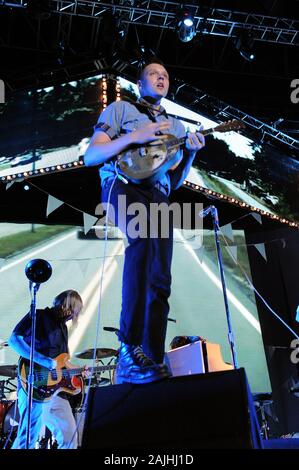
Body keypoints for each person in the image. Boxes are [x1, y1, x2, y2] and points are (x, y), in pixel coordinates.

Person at [84, 58, 205, 384]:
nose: (161, 78)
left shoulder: (176, 127)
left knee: (161, 276)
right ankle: (129, 349)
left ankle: (150, 359)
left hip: (159, 196)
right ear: (140, 83)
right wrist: (136, 136)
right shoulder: (122, 110)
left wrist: (190, 154)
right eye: (154, 73)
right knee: (140, 243)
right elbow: (92, 155)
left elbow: (174, 181)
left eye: (166, 74)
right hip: (121, 185)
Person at [8, 290, 84, 449]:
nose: (72, 316)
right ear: (65, 305)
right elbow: (14, 340)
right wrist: (42, 359)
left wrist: (79, 370)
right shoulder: (39, 316)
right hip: (35, 384)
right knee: (28, 437)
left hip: (55, 391)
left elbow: (61, 361)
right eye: (73, 310)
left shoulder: (62, 327)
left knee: (70, 436)